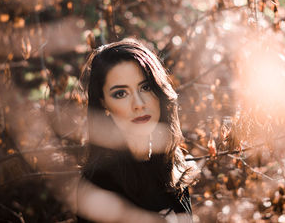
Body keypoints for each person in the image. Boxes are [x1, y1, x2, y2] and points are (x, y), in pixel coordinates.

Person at [76, 39, 197, 222]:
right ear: (103, 103)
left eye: (146, 87)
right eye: (121, 93)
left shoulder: (173, 163)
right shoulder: (98, 185)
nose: (139, 104)